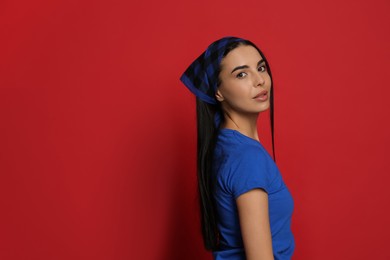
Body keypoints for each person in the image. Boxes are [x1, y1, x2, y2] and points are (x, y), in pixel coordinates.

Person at [180, 36, 295, 260]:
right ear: (218, 92)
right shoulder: (247, 157)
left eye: (260, 67)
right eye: (241, 74)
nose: (260, 80)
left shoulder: (225, 144)